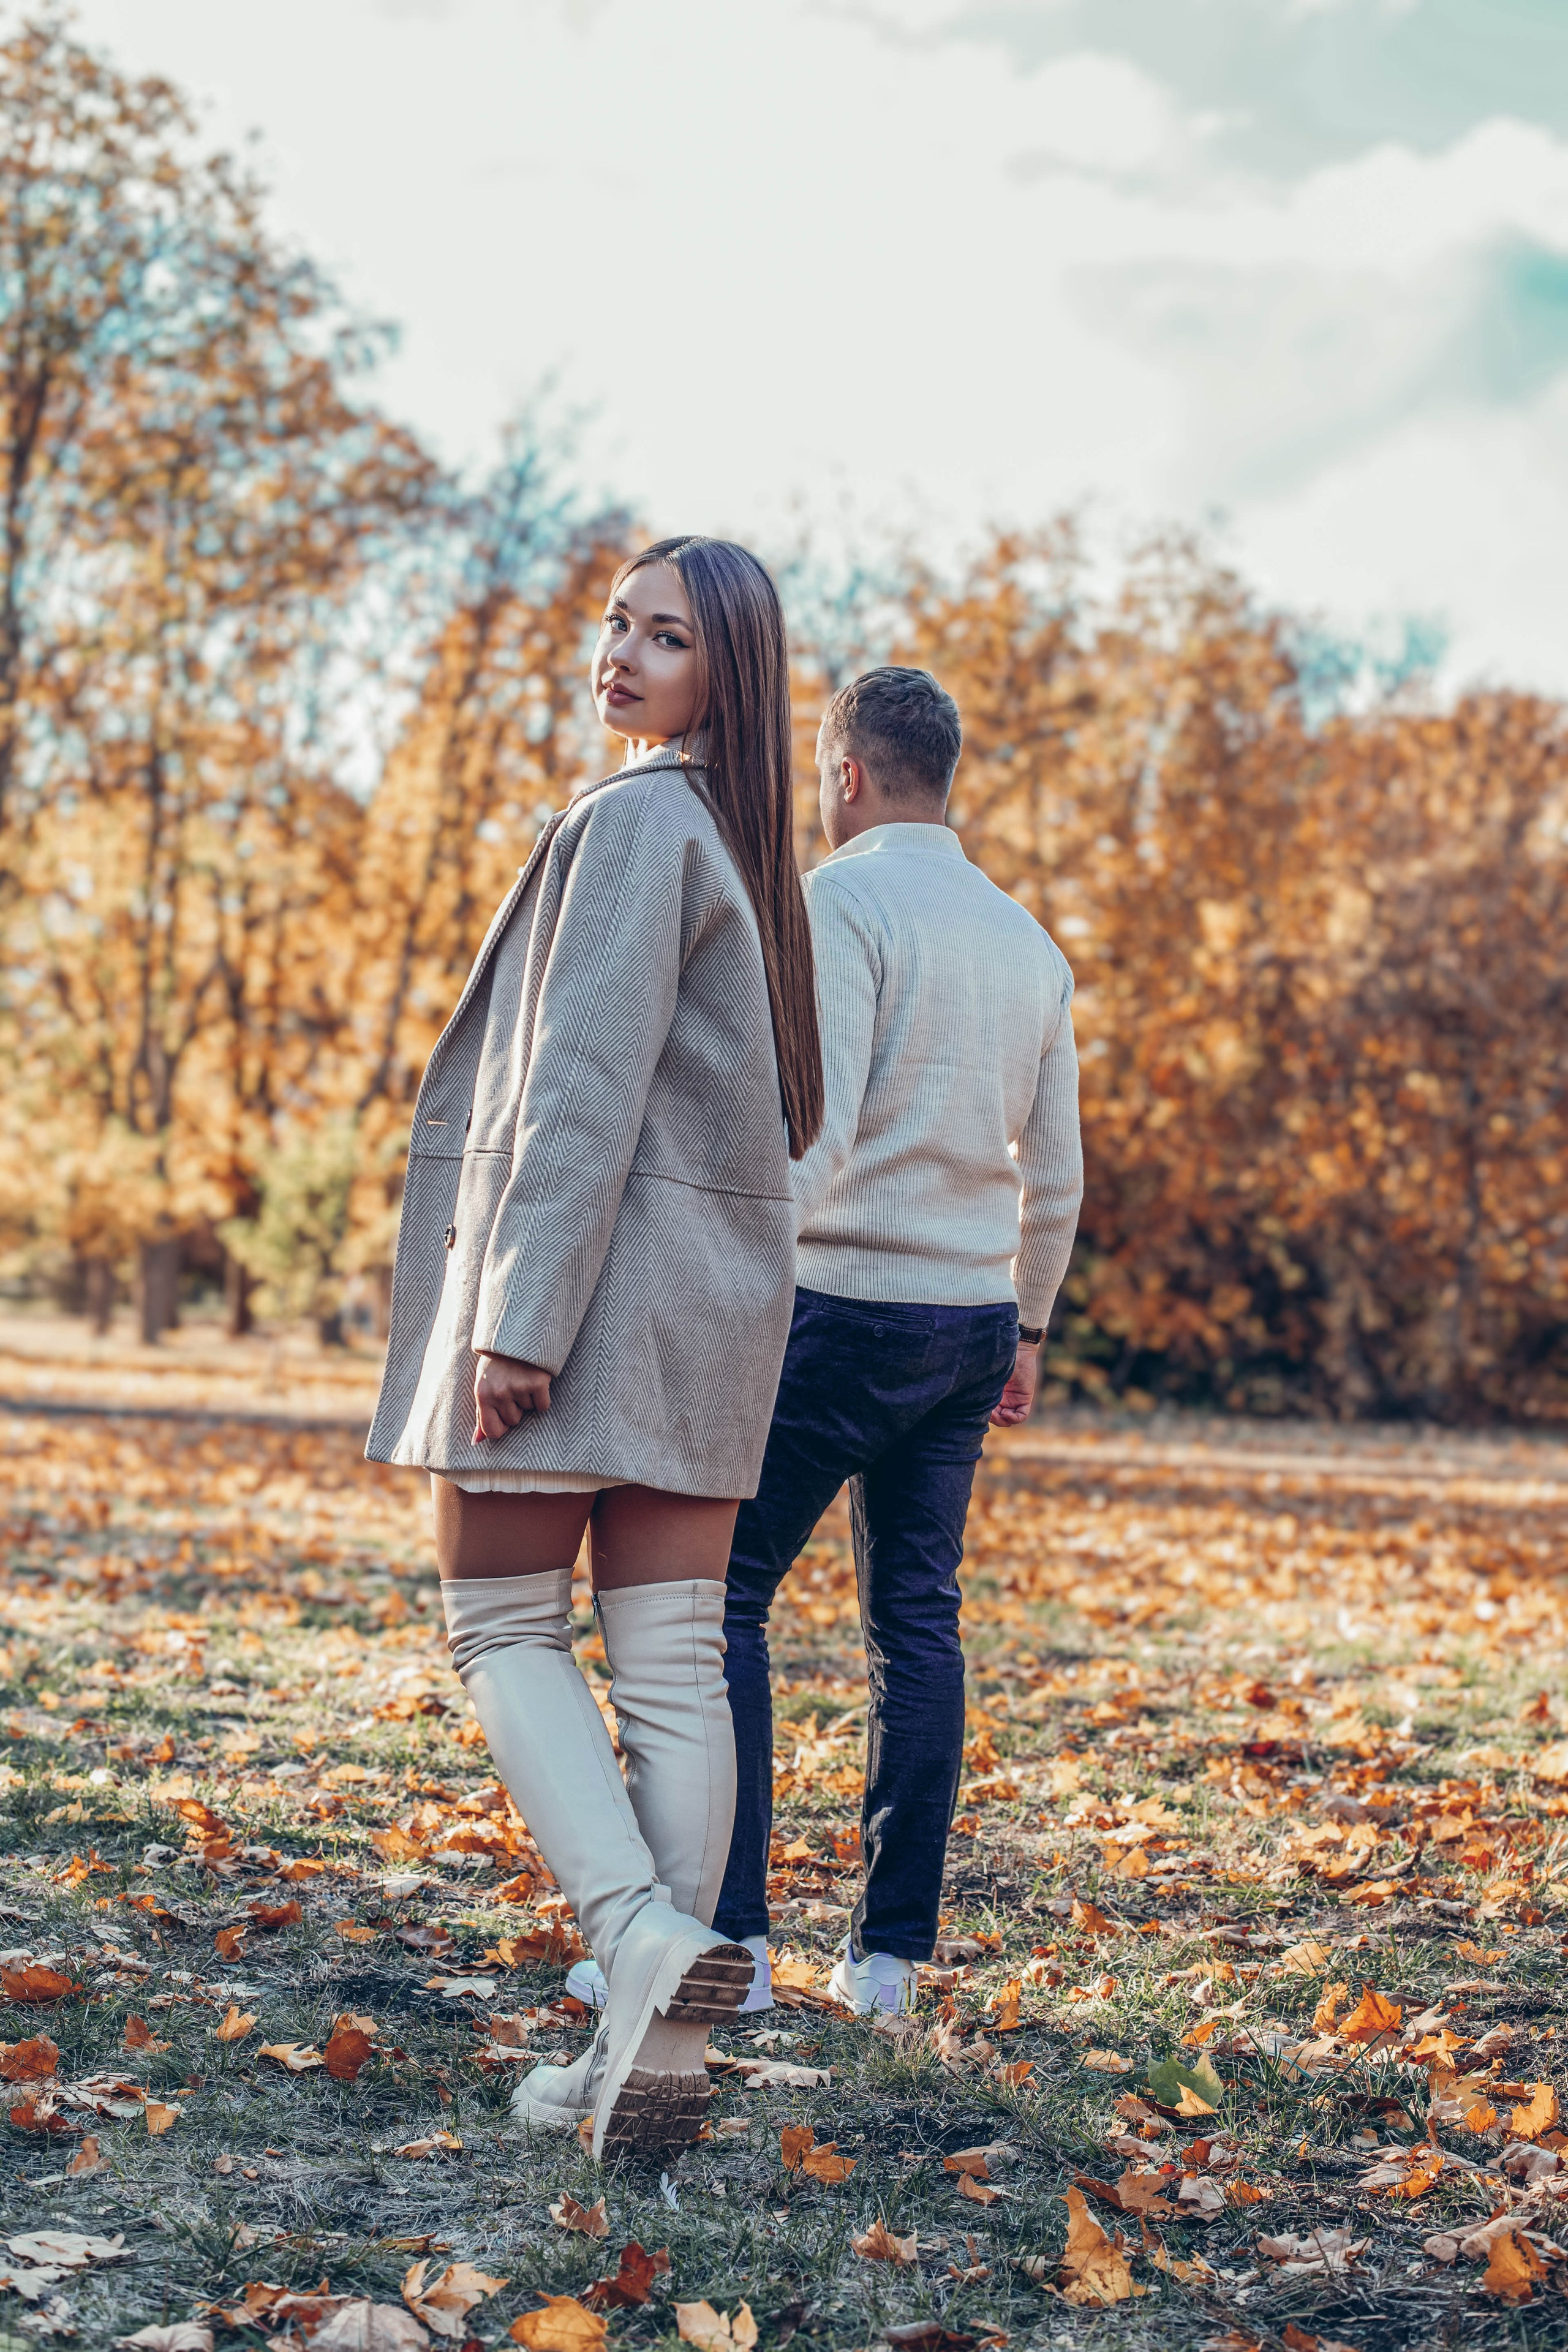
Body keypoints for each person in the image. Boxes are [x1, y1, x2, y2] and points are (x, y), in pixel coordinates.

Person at [365, 536, 823, 2155]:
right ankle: (656, 2048)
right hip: (712, 1299)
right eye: (616, 624)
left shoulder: (635, 821)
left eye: (668, 638)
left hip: (598, 1291)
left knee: (499, 1622)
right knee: (677, 1663)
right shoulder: (739, 839)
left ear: (729, 673)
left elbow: (582, 1080)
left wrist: (519, 1313)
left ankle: (638, 1939)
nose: (620, 656)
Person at [711, 665, 1082, 2013]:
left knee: (717, 1601)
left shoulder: (842, 900)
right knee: (915, 1626)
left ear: (848, 773)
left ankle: (727, 1944)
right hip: (971, 1319)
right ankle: (886, 1965)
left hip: (842, 1307)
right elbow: (1058, 1171)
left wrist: (752, 1267)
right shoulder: (1026, 943)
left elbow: (825, 1120)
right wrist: (1027, 1326)